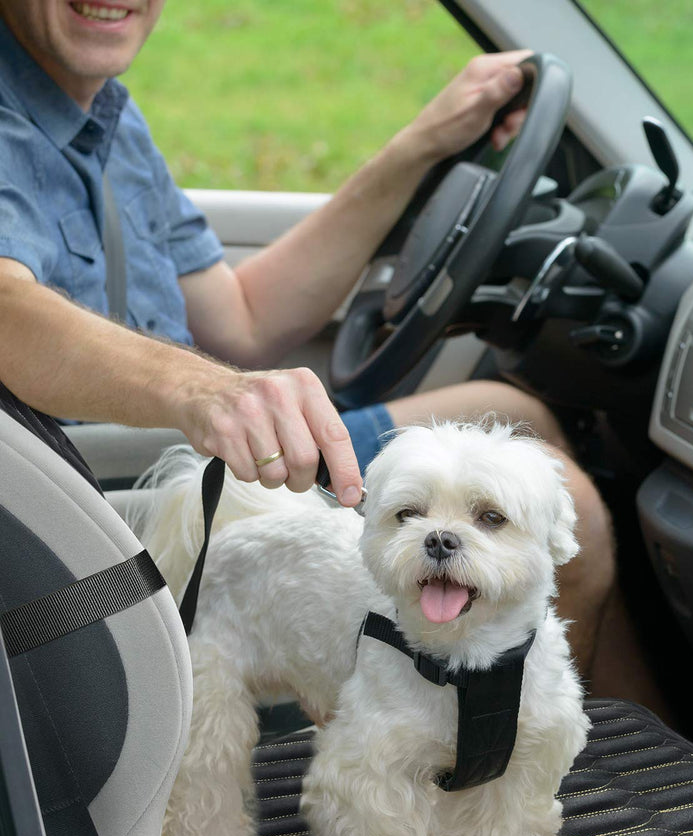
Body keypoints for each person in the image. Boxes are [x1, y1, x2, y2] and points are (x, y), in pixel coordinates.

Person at [0, 0, 638, 700]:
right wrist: (207, 392)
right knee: (558, 498)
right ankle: (519, 755)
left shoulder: (105, 118)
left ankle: (621, 754)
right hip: (110, 505)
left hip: (189, 458)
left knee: (516, 415)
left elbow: (242, 318)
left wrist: (422, 143)